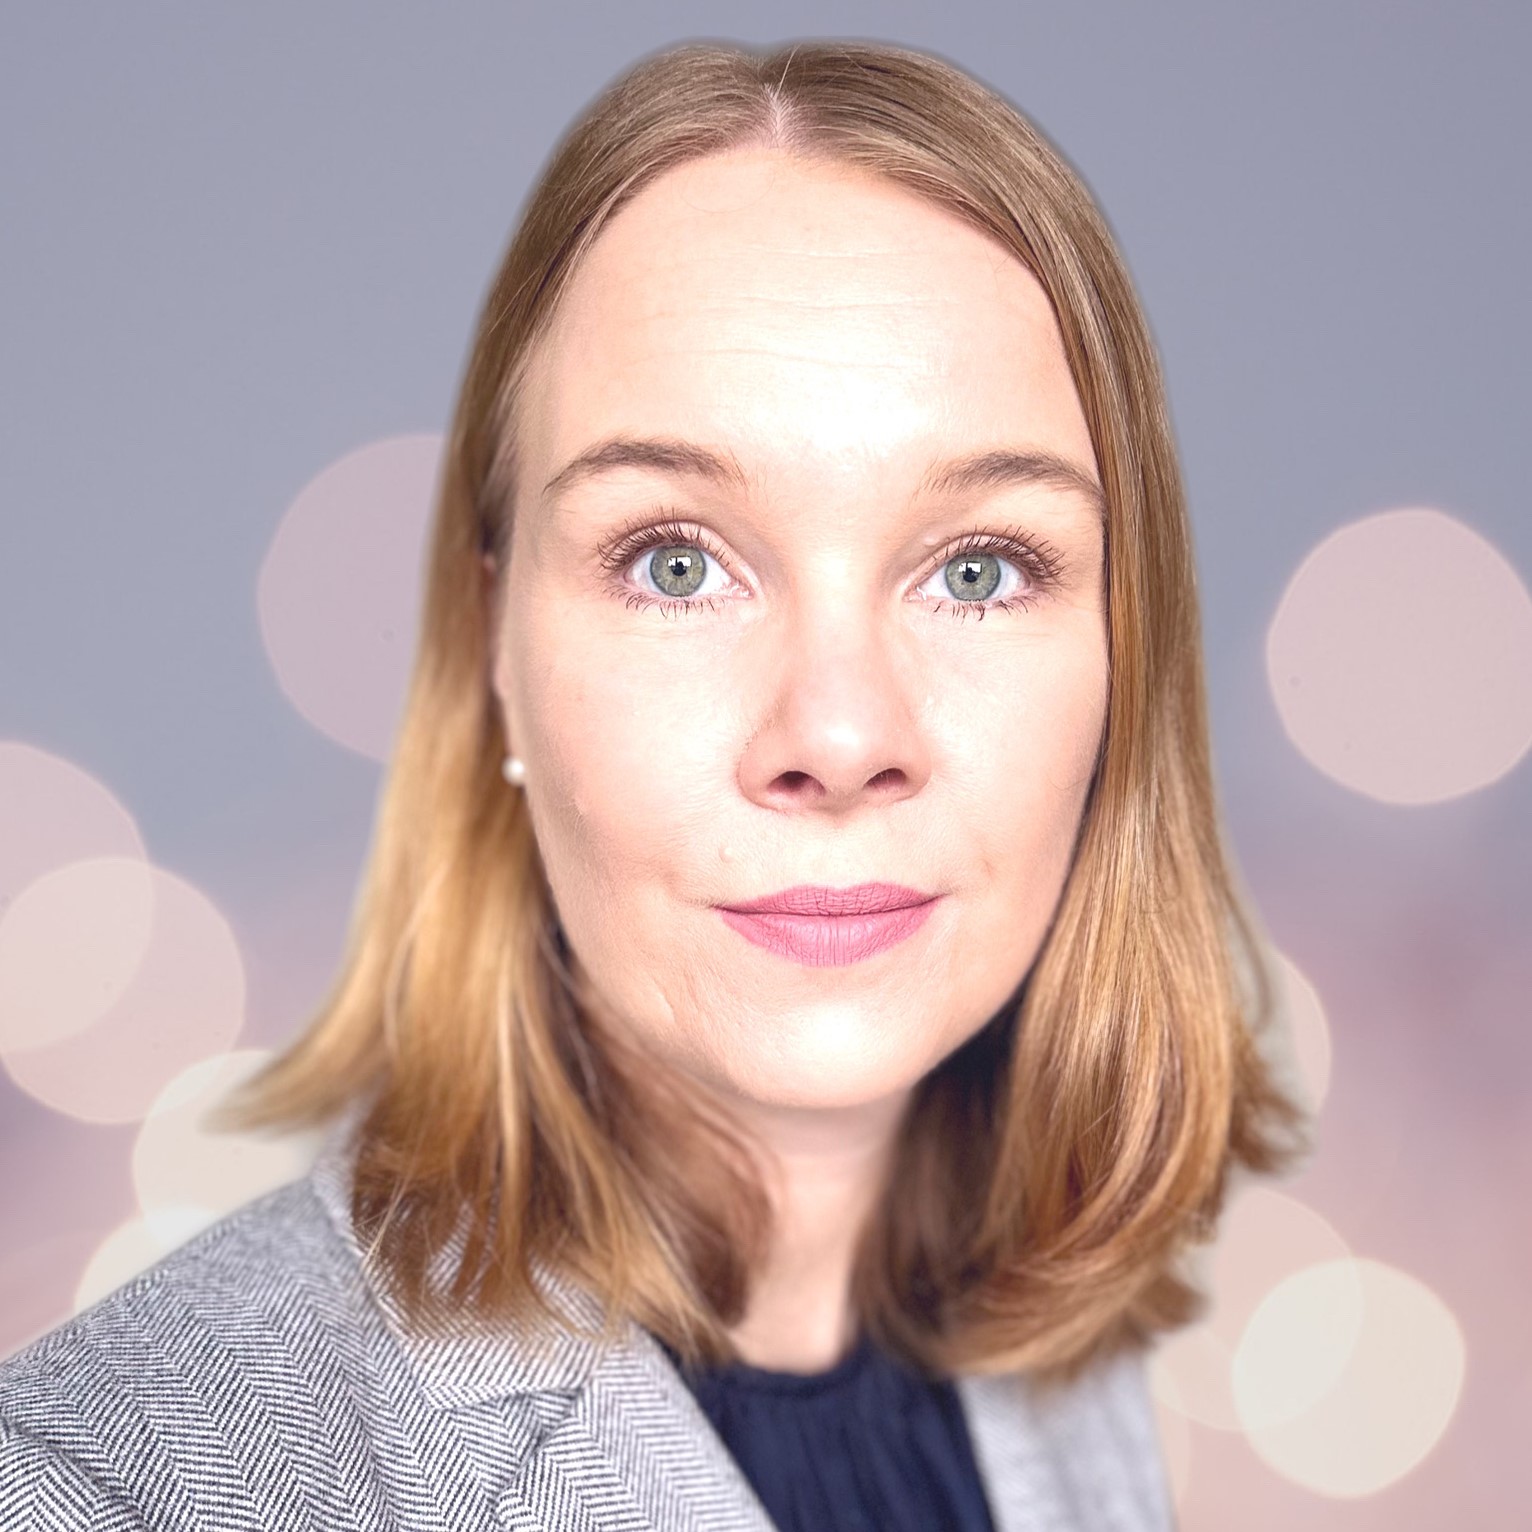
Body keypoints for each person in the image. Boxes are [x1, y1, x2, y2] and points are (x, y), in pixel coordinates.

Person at [0, 38, 1306, 1531]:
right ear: (491, 645)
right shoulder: (100, 1485)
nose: (838, 733)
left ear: (1126, 659)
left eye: (979, 569)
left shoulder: (1068, 1386)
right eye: (676, 564)